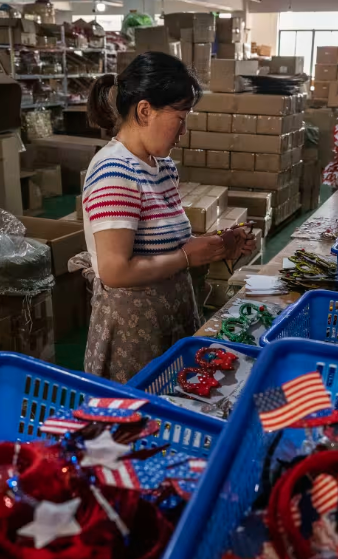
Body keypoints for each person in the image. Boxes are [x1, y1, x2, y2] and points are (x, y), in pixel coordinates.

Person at [81, 51, 255, 383]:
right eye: (180, 117)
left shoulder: (162, 167)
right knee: (137, 418)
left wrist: (218, 246)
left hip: (170, 315)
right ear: (145, 110)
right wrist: (188, 256)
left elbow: (166, 245)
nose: (183, 130)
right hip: (134, 333)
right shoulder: (114, 172)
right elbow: (115, 271)